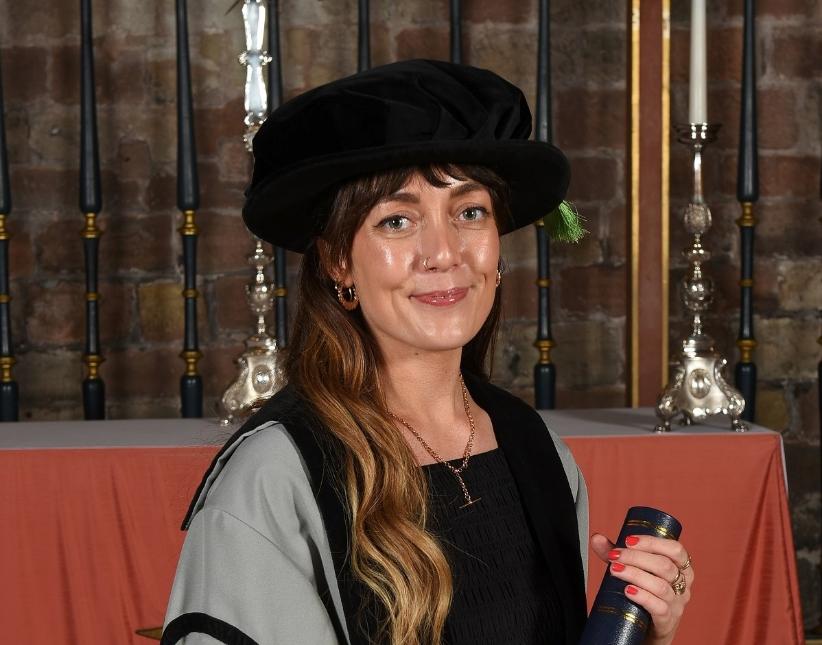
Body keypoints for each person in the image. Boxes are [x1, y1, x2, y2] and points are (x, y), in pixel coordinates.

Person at [161, 59, 693, 645]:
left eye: (470, 212)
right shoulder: (278, 476)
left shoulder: (535, 449)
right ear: (338, 261)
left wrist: (651, 635)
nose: (444, 252)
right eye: (396, 221)